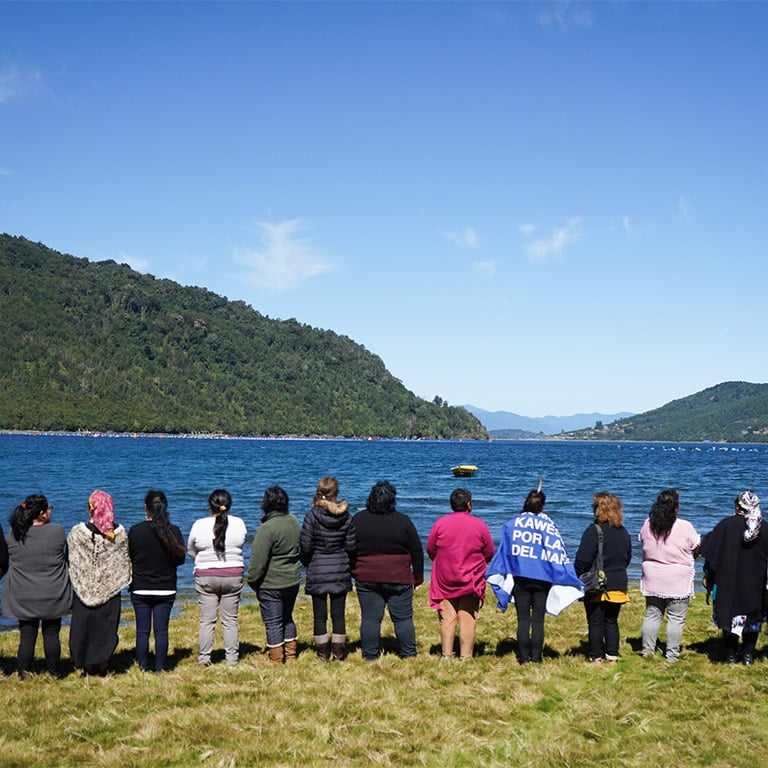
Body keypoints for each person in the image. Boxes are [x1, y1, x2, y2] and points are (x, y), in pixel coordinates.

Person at [486, 484, 584, 664]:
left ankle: (523, 658)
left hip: (520, 579)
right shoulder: (549, 526)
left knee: (523, 619)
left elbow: (505, 551)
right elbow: (558, 551)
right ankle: (537, 657)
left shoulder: (512, 524)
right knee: (538, 619)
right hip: (542, 580)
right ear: (542, 506)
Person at [352, 480, 424, 660]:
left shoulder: (358, 520)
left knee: (370, 618)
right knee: (403, 618)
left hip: (367, 577)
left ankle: (370, 655)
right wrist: (418, 577)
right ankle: (408, 654)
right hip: (399, 577)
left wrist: (353, 570)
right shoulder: (403, 521)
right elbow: (416, 551)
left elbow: (349, 548)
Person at [1, 495, 72, 678]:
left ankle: (24, 672)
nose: (51, 511)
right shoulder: (57, 531)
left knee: (27, 635)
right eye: (49, 508)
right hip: (53, 592)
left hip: (23, 593)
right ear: (42, 513)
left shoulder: (13, 534)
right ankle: (53, 671)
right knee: (51, 634)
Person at [67, 490, 132, 675]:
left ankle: (87, 666)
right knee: (106, 626)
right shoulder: (119, 534)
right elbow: (124, 561)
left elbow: (71, 559)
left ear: (91, 509)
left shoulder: (77, 533)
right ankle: (103, 665)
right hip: (108, 589)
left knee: (84, 626)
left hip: (83, 588)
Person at [700, 490, 768, 665]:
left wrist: (709, 574)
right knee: (753, 618)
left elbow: (709, 551)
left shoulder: (726, 525)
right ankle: (748, 655)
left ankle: (730, 655)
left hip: (728, 581)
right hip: (755, 583)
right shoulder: (765, 528)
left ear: (737, 506)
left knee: (729, 617)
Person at [426, 487, 494, 662]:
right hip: (471, 579)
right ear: (469, 505)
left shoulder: (440, 523)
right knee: (467, 619)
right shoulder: (479, 525)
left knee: (447, 619)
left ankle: (446, 655)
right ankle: (466, 656)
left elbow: (430, 549)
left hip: (445, 578)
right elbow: (489, 552)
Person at [638, 489, 700, 663]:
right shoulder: (684, 526)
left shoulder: (648, 524)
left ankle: (647, 650)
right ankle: (672, 655)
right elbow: (696, 546)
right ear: (676, 508)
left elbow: (643, 542)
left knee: (652, 614)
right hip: (677, 579)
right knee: (676, 618)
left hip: (653, 576)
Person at [127, 490, 187, 672]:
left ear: (146, 507)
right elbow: (180, 559)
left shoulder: (136, 531)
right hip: (165, 588)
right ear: (165, 507)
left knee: (142, 631)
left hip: (141, 588)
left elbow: (129, 556)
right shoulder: (173, 531)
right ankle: (160, 667)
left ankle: (144, 666)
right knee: (161, 630)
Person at [187, 489, 247, 667]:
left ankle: (204, 658)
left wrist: (201, 560)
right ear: (229, 505)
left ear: (210, 505)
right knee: (230, 620)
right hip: (233, 575)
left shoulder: (199, 524)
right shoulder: (239, 523)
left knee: (207, 620)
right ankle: (232, 659)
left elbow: (190, 549)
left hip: (206, 575)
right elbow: (242, 542)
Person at [299, 476, 357, 661]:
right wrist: (349, 564)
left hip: (317, 567)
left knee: (319, 615)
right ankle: (339, 653)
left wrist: (308, 563)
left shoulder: (311, 515)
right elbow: (351, 547)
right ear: (336, 493)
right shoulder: (347, 516)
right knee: (338, 615)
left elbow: (305, 546)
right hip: (340, 567)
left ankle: (322, 654)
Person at [574, 492, 632, 663]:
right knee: (612, 621)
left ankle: (595, 656)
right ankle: (612, 655)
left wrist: (576, 577)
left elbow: (582, 561)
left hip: (597, 584)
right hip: (619, 582)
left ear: (598, 510)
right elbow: (627, 558)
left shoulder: (594, 531)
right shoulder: (623, 532)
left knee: (595, 622)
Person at [248, 485, 302, 663]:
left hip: (271, 583)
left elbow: (258, 562)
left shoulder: (267, 528)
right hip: (292, 580)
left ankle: (277, 659)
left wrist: (253, 581)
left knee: (273, 622)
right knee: (287, 618)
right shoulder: (293, 521)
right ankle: (291, 655)